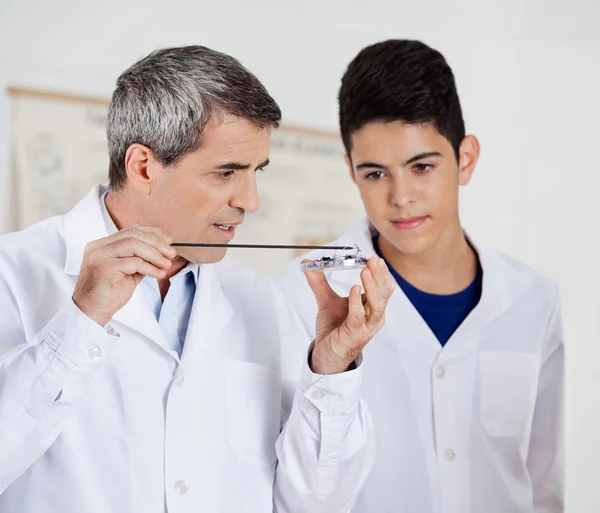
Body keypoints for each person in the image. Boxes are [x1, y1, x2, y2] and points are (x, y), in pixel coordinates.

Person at [0, 45, 396, 513]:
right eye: (226, 172)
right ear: (143, 166)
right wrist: (79, 323)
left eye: (256, 172)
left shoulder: (259, 300)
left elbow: (316, 503)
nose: (251, 201)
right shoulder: (14, 273)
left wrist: (331, 371)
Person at [277, 39, 564, 513]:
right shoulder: (296, 296)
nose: (401, 196)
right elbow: (296, 495)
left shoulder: (534, 300)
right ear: (350, 170)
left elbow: (546, 484)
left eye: (422, 167)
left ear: (465, 159)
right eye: (375, 174)